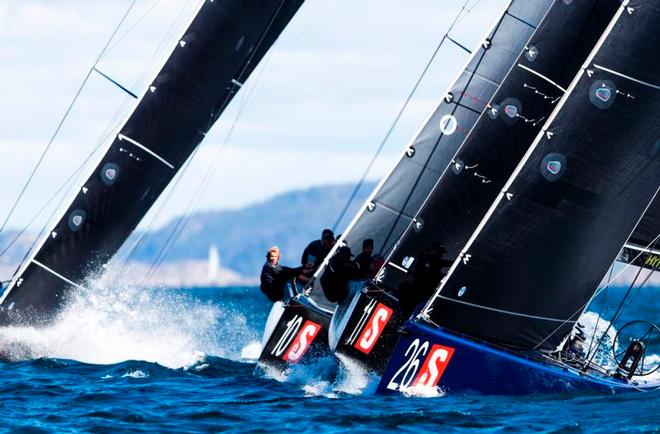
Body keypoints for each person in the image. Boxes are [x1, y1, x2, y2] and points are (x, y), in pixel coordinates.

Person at [397, 242, 453, 317]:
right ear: (432, 250)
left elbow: (443, 264)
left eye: (441, 253)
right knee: (407, 311)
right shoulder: (424, 258)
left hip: (421, 293)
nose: (440, 255)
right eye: (439, 252)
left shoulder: (434, 261)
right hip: (414, 292)